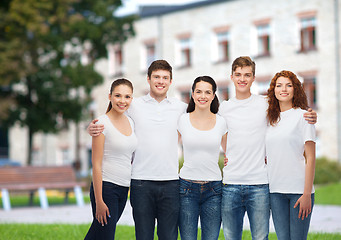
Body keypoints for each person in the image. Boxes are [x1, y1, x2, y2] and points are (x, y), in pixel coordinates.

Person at [219, 56, 317, 240]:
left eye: (247, 74)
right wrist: (228, 152)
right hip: (241, 185)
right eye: (238, 74)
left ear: (253, 78)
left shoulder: (266, 104)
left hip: (260, 184)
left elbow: (292, 114)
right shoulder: (224, 108)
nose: (242, 79)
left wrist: (312, 114)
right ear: (231, 77)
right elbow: (218, 132)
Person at [88, 60, 187, 240]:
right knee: (143, 236)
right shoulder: (134, 104)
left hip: (171, 182)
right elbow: (112, 117)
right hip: (141, 183)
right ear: (148, 79)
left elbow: (204, 120)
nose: (160, 81)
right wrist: (92, 128)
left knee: (169, 236)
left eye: (165, 78)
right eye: (156, 77)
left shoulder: (181, 108)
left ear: (171, 82)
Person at [84, 78, 138, 240]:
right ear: (110, 97)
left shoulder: (130, 122)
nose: (122, 101)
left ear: (131, 99)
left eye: (127, 97)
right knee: (105, 236)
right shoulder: (101, 124)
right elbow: (96, 164)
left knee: (97, 234)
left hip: (123, 188)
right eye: (118, 96)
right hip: (106, 188)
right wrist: (99, 201)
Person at [265, 70, 316, 240]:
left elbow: (311, 158)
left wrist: (307, 194)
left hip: (298, 191)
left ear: (295, 89)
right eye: (279, 85)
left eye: (288, 85)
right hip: (275, 191)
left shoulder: (304, 116)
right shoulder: (269, 120)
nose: (283, 89)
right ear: (274, 90)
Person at [178, 76, 227, 240]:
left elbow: (231, 153)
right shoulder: (182, 120)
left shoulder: (221, 122)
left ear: (213, 95)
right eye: (198, 91)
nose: (202, 96)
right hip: (186, 188)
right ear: (192, 94)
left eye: (207, 92)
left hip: (214, 190)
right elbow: (168, 149)